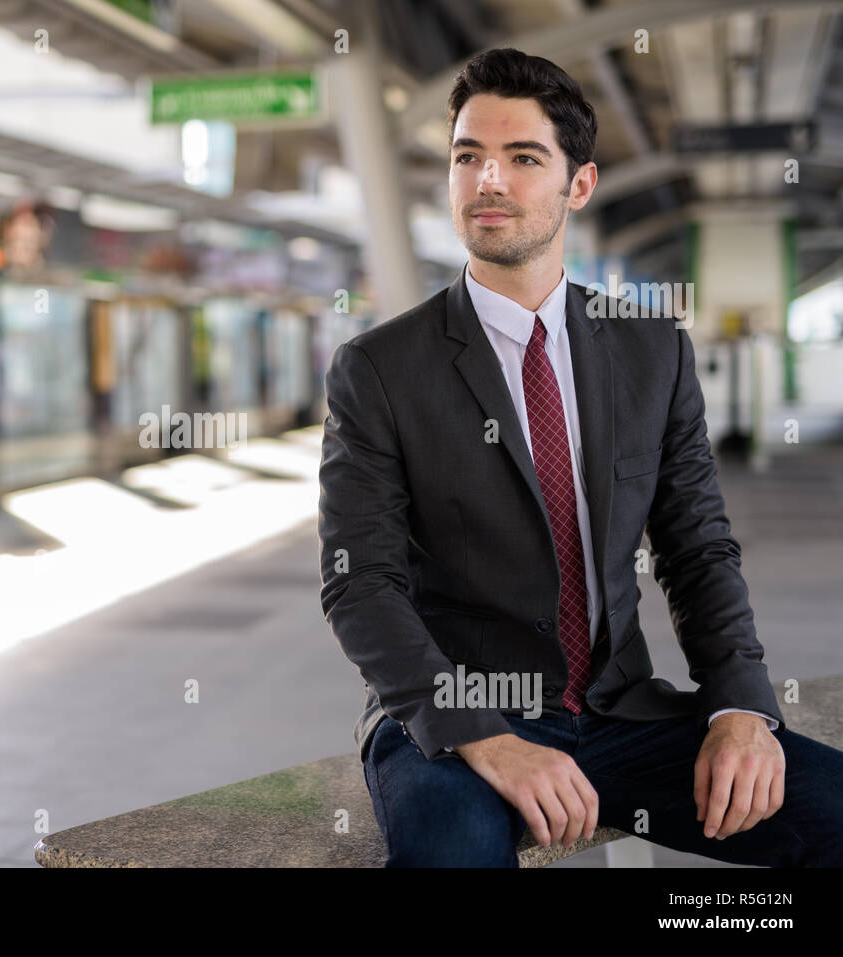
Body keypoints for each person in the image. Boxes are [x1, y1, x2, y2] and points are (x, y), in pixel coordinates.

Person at [318, 47, 843, 867]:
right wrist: (482, 735)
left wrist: (741, 706)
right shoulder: (381, 368)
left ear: (580, 185)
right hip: (457, 715)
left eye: (523, 158)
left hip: (619, 712)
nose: (488, 180)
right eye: (468, 158)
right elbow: (361, 581)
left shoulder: (650, 349)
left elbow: (697, 547)